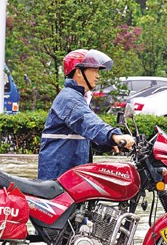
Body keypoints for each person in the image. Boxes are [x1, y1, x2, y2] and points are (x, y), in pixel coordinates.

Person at [38, 49, 135, 180]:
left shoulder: (79, 97)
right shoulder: (69, 98)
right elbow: (88, 122)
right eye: (94, 70)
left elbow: (84, 135)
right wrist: (113, 135)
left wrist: (108, 144)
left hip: (69, 175)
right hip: (59, 177)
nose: (97, 75)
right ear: (79, 72)